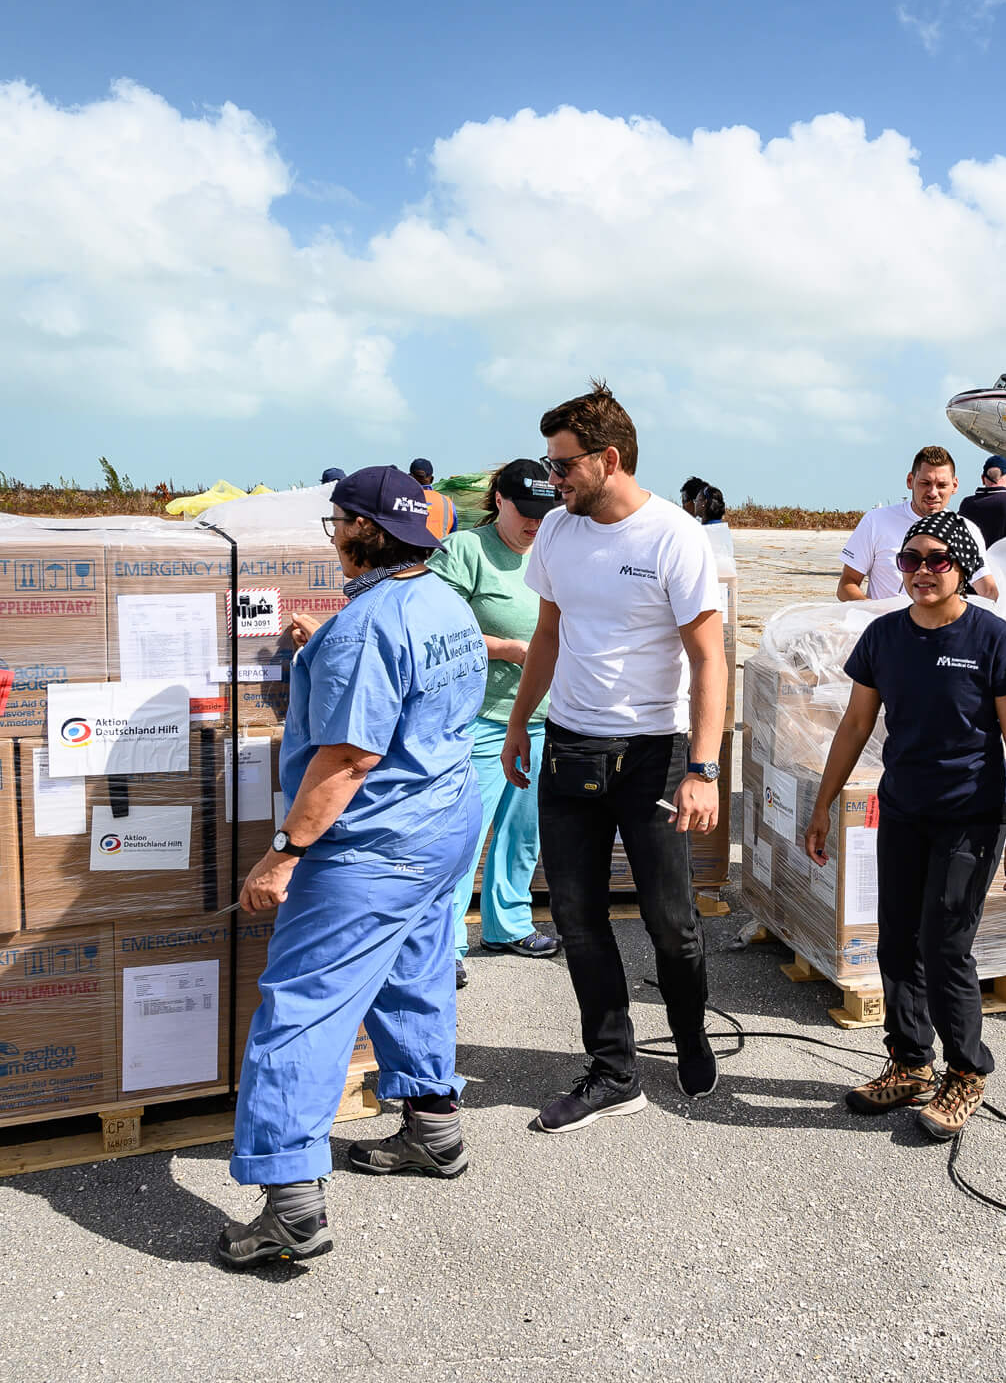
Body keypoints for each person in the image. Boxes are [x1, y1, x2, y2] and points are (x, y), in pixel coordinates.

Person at [220, 466, 487, 1269]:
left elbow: (349, 755)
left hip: (373, 845)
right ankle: (435, 1130)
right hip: (442, 823)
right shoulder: (442, 601)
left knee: (303, 1006)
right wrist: (319, 654)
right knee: (416, 970)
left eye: (337, 522)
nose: (333, 534)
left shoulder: (368, 628)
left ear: (367, 532)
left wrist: (284, 853)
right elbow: (405, 692)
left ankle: (291, 1205)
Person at [504, 381, 729, 1132]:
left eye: (562, 464)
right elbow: (547, 636)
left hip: (654, 755)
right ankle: (613, 1069)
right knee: (576, 915)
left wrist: (703, 769)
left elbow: (710, 660)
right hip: (570, 745)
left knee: (671, 921)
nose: (551, 478)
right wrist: (517, 726)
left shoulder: (673, 536)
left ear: (608, 458)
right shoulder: (561, 535)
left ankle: (691, 1034)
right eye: (547, 463)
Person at [804, 513, 1006, 1141]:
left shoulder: (992, 638)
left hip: (972, 817)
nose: (922, 572)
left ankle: (965, 1073)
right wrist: (823, 805)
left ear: (961, 566)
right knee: (897, 941)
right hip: (903, 809)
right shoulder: (884, 637)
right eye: (910, 561)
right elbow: (855, 727)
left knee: (945, 945)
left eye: (937, 560)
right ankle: (909, 1063)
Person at [429, 459, 567, 984]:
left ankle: (507, 925)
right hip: (483, 718)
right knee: (466, 832)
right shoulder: (467, 552)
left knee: (523, 830)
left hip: (546, 717)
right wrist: (510, 649)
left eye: (544, 512)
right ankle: (447, 944)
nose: (535, 523)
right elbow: (439, 627)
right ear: (499, 502)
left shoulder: (556, 548)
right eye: (526, 512)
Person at [838, 446, 998, 602]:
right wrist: (877, 617)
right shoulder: (876, 521)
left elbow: (987, 589)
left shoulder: (965, 530)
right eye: (925, 483)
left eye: (942, 485)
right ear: (910, 481)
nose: (933, 492)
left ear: (954, 486)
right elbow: (847, 585)